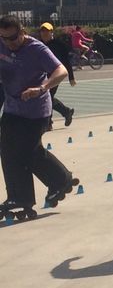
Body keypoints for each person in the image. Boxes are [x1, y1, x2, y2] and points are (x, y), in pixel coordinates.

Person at [0, 15, 78, 216]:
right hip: (12, 108)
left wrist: (42, 88)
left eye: (13, 37)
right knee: (8, 150)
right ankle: (19, 196)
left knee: (26, 151)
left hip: (36, 111)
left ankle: (58, 181)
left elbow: (60, 71)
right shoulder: (3, 45)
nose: (9, 43)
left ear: (22, 31)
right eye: (4, 38)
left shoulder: (37, 48)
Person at [36, 22, 75, 127]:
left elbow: (66, 61)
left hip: (55, 74)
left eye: (47, 31)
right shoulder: (38, 45)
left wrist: (71, 77)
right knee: (47, 96)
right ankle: (66, 112)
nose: (44, 33)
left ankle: (48, 123)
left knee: (48, 96)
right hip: (41, 75)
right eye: (43, 31)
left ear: (51, 32)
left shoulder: (59, 45)